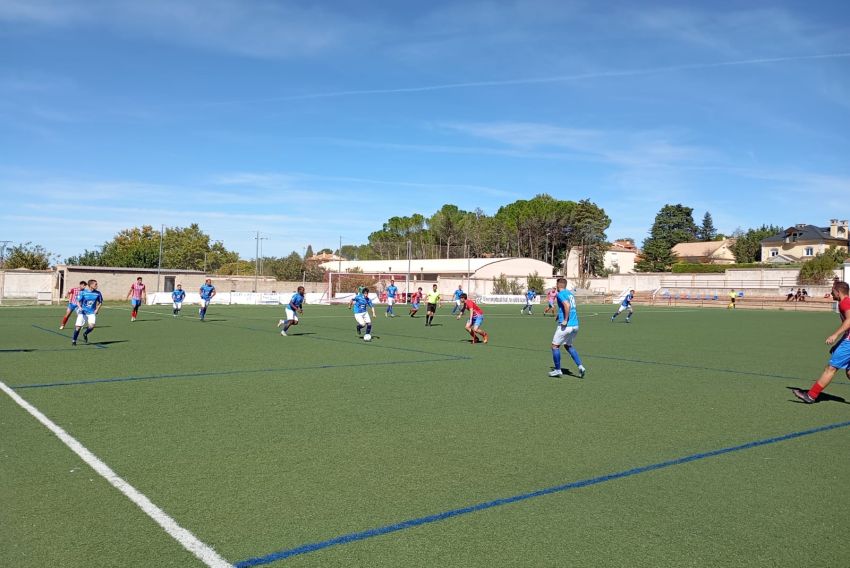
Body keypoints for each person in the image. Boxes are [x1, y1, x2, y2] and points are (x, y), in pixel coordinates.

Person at [792, 281, 850, 403]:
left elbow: (849, 321)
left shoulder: (845, 303)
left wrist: (835, 335)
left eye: (832, 291)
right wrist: (839, 343)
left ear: (838, 292)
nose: (830, 293)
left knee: (831, 368)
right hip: (847, 340)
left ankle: (811, 395)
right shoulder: (845, 302)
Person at [549, 278, 586, 378]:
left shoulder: (560, 294)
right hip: (575, 325)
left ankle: (557, 370)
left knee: (555, 346)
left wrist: (565, 319)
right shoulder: (570, 294)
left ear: (558, 285)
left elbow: (567, 305)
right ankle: (580, 366)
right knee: (568, 346)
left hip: (567, 325)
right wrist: (559, 315)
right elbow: (567, 307)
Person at [72, 279, 103, 345]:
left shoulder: (98, 293)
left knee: (92, 326)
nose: (97, 285)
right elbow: (77, 301)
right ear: (91, 285)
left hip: (91, 312)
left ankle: (85, 333)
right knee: (78, 327)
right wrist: (80, 307)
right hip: (83, 312)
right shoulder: (83, 292)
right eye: (95, 284)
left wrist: (97, 309)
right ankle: (74, 341)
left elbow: (100, 302)